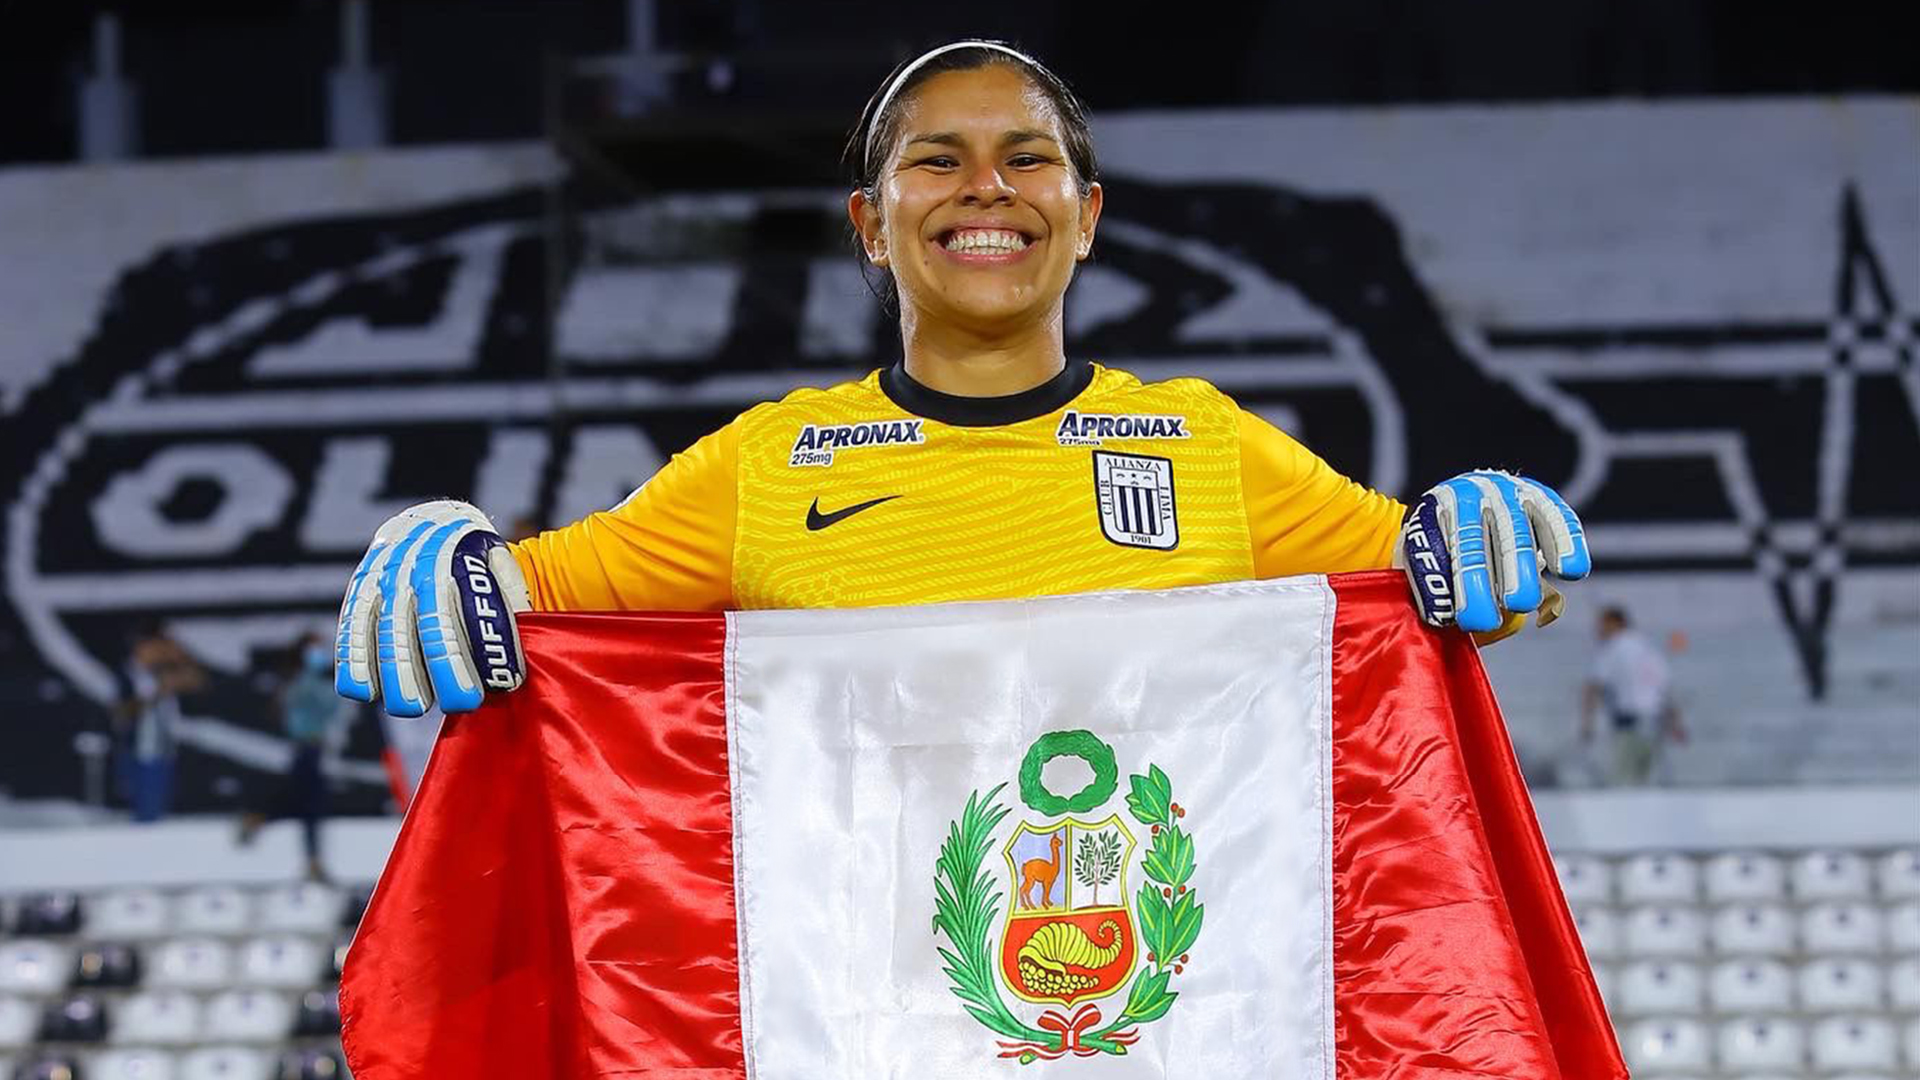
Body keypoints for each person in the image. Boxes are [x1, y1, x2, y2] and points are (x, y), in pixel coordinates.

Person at [333, 40, 1592, 720]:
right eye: (935, 161)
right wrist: (443, 544)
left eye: (1027, 159)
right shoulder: (763, 467)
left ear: (1085, 216)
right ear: (871, 226)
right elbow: (523, 602)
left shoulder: (1210, 449)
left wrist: (1482, 528)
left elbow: (1443, 588)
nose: (985, 187)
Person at [239, 631, 346, 881]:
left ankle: (260, 818)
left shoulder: (306, 680)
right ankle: (311, 860)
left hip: (313, 749)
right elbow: (325, 706)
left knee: (306, 802)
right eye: (315, 650)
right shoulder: (302, 681)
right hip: (307, 747)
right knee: (310, 804)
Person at [1580, 606, 1686, 786]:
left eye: (1602, 624)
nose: (1598, 630)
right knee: (1645, 785)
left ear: (1615, 623)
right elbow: (1666, 691)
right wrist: (1676, 725)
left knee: (1622, 784)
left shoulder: (1613, 647)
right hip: (1654, 727)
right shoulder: (1648, 648)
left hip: (1628, 728)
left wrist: (1587, 725)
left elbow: (1593, 687)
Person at [116, 621, 205, 822]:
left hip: (169, 746)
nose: (158, 651)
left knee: (165, 808)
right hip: (142, 749)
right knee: (146, 808)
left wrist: (180, 658)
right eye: (153, 647)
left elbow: (198, 682)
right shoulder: (128, 673)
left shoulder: (166, 669)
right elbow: (122, 713)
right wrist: (158, 692)